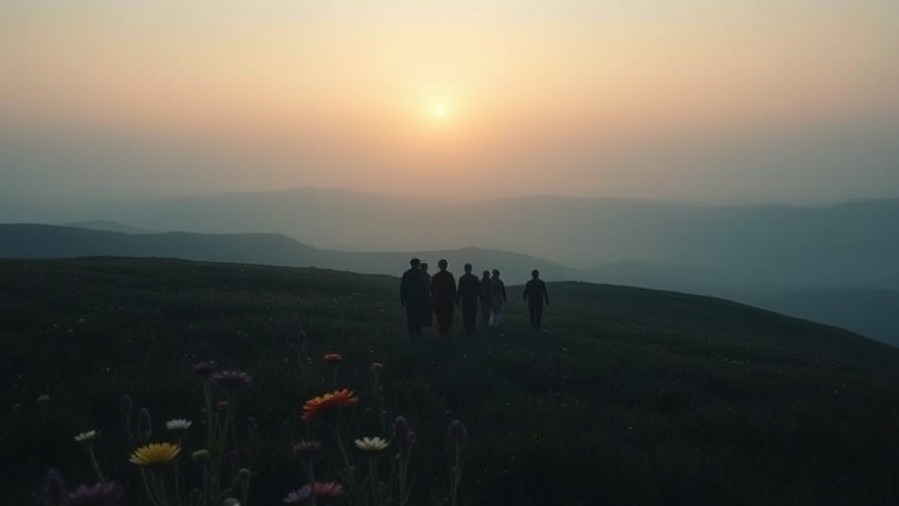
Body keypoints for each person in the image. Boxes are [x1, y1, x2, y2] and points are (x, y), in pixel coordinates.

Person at [400, 258, 428, 340]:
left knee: (410, 316)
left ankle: (411, 331)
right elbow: (425, 287)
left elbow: (403, 287)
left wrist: (402, 298)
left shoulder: (406, 274)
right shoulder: (421, 274)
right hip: (419, 299)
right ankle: (417, 330)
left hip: (410, 299)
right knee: (419, 316)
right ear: (418, 264)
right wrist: (426, 298)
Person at [430, 259, 457, 336]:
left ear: (439, 266)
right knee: (448, 318)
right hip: (448, 300)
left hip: (439, 300)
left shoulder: (436, 276)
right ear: (446, 265)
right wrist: (456, 299)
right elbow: (454, 289)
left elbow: (432, 289)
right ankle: (446, 332)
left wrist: (433, 299)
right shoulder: (450, 276)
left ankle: (442, 333)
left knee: (440, 318)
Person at [457, 263, 481, 336]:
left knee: (466, 318)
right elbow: (479, 290)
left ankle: (468, 332)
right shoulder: (475, 278)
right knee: (472, 317)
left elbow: (459, 291)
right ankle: (472, 332)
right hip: (472, 300)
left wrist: (457, 300)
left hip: (466, 301)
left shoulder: (462, 278)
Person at [420, 262, 433, 329]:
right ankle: (427, 323)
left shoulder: (420, 275)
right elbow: (429, 286)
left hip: (420, 296)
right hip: (425, 295)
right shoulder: (427, 276)